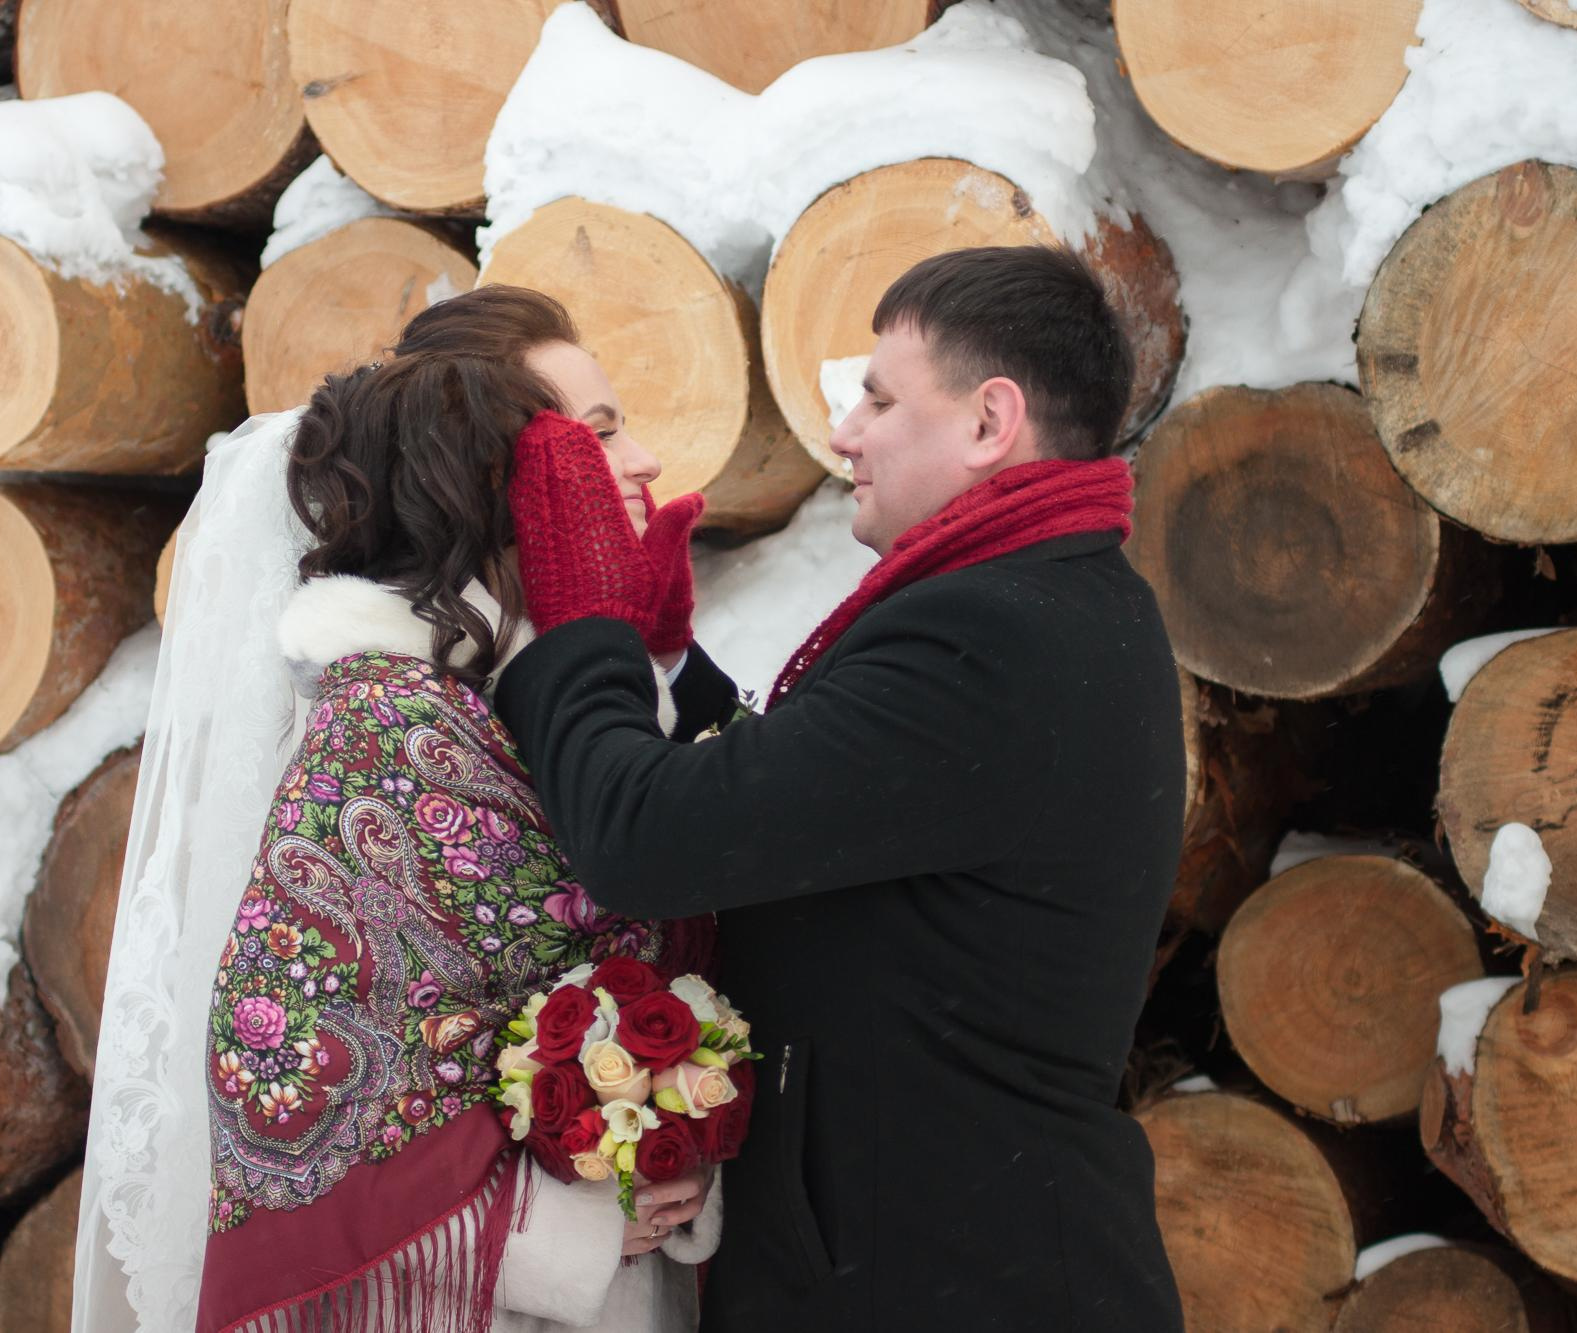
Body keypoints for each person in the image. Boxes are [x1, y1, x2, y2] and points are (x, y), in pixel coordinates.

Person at [490, 245, 1187, 1330]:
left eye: (875, 395)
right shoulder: (1048, 601)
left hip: (947, 1282)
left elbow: (646, 837)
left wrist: (584, 628)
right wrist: (668, 661)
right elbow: (812, 801)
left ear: (986, 422)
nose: (845, 432)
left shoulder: (991, 637)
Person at [71, 287, 729, 1333]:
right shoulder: (385, 728)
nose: (645, 459)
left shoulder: (578, 703)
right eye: (596, 439)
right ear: (500, 484)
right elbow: (285, 1076)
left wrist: (668, 1151)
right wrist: (582, 1225)